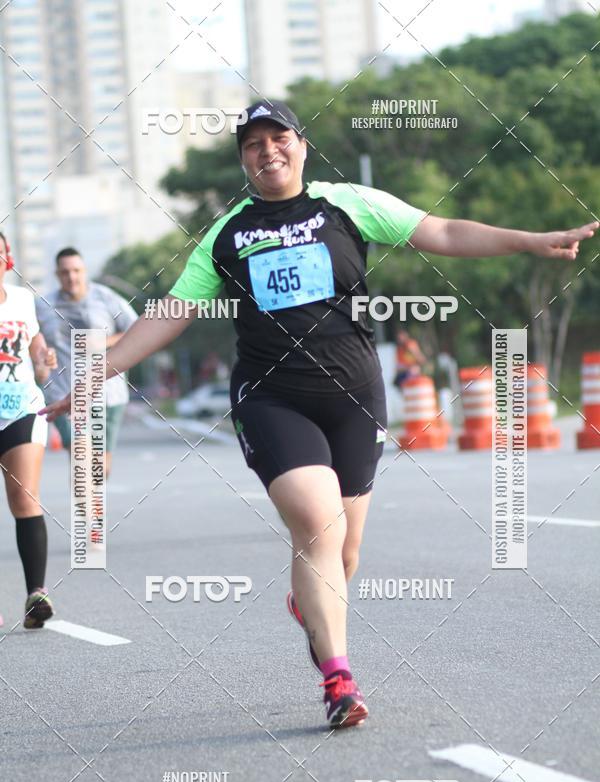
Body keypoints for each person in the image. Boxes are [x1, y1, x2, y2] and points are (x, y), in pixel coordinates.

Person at [41, 99, 599, 728]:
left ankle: (309, 603)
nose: (268, 151)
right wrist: (95, 374)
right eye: (253, 145)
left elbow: (439, 232)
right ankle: (339, 683)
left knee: (345, 552)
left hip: (355, 400)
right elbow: (170, 315)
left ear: (302, 146)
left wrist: (531, 242)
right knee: (318, 527)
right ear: (243, 161)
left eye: (279, 137)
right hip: (272, 398)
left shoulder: (347, 204)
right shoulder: (227, 234)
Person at [36, 248, 138, 478]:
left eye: (76, 271)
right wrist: (42, 356)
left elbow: (139, 329)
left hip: (107, 394)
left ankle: (93, 511)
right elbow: (33, 339)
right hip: (64, 395)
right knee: (81, 461)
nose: (71, 277)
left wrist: (104, 341)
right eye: (64, 272)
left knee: (100, 469)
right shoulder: (42, 305)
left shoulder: (107, 298)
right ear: (56, 274)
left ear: (85, 271)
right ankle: (87, 513)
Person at [0, 232, 58, 628]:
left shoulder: (22, 298)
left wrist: (42, 360)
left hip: (20, 407)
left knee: (25, 498)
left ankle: (36, 594)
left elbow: (35, 344)